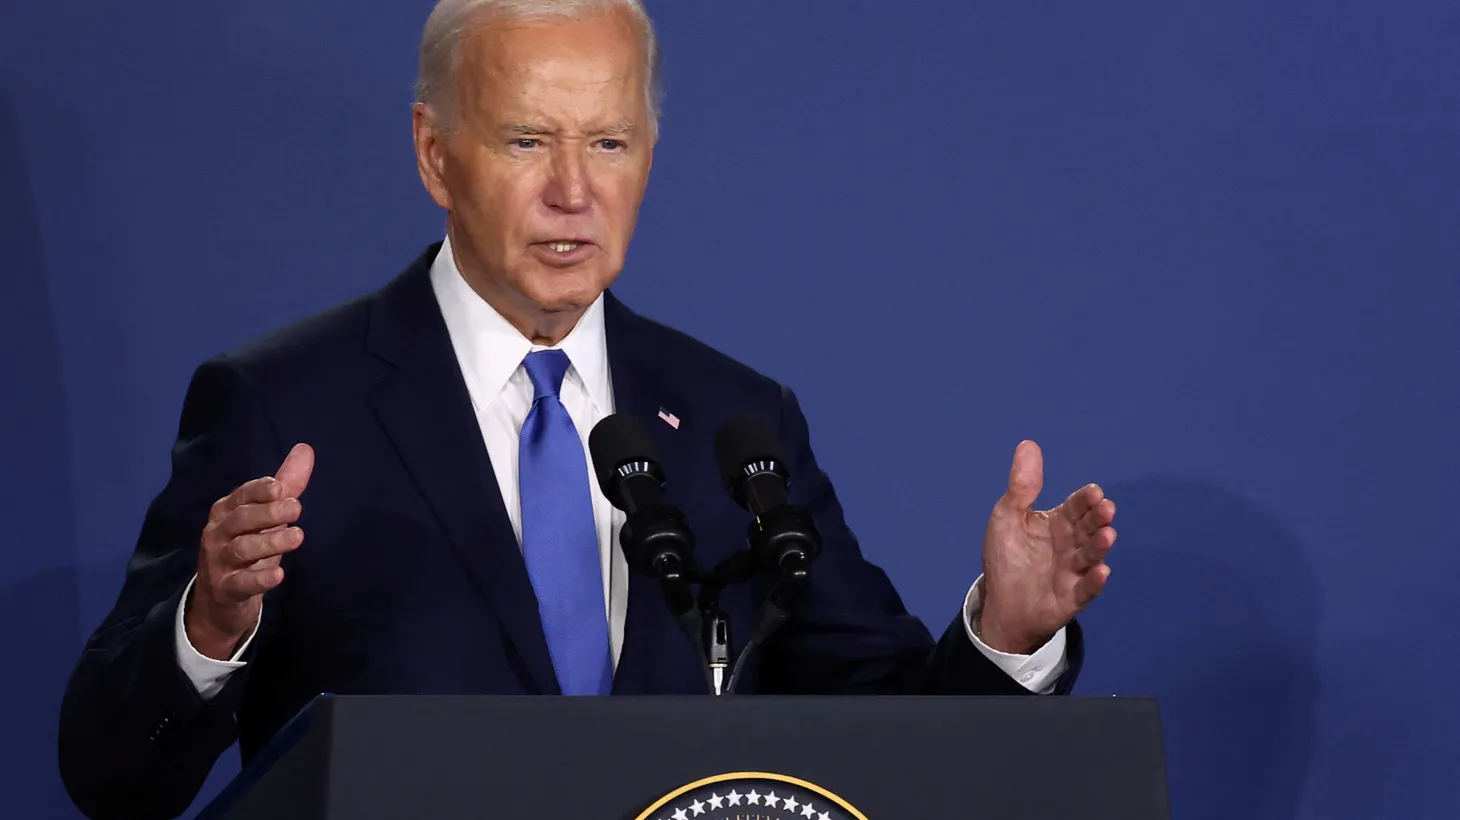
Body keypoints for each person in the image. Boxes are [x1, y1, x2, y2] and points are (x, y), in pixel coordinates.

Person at [57, 1, 1118, 817]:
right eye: (527, 141)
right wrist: (208, 626)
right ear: (435, 154)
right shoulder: (288, 403)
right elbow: (110, 774)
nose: (574, 190)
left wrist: (1001, 635)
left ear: (649, 153)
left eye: (607, 142)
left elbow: (889, 735)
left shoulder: (733, 421)